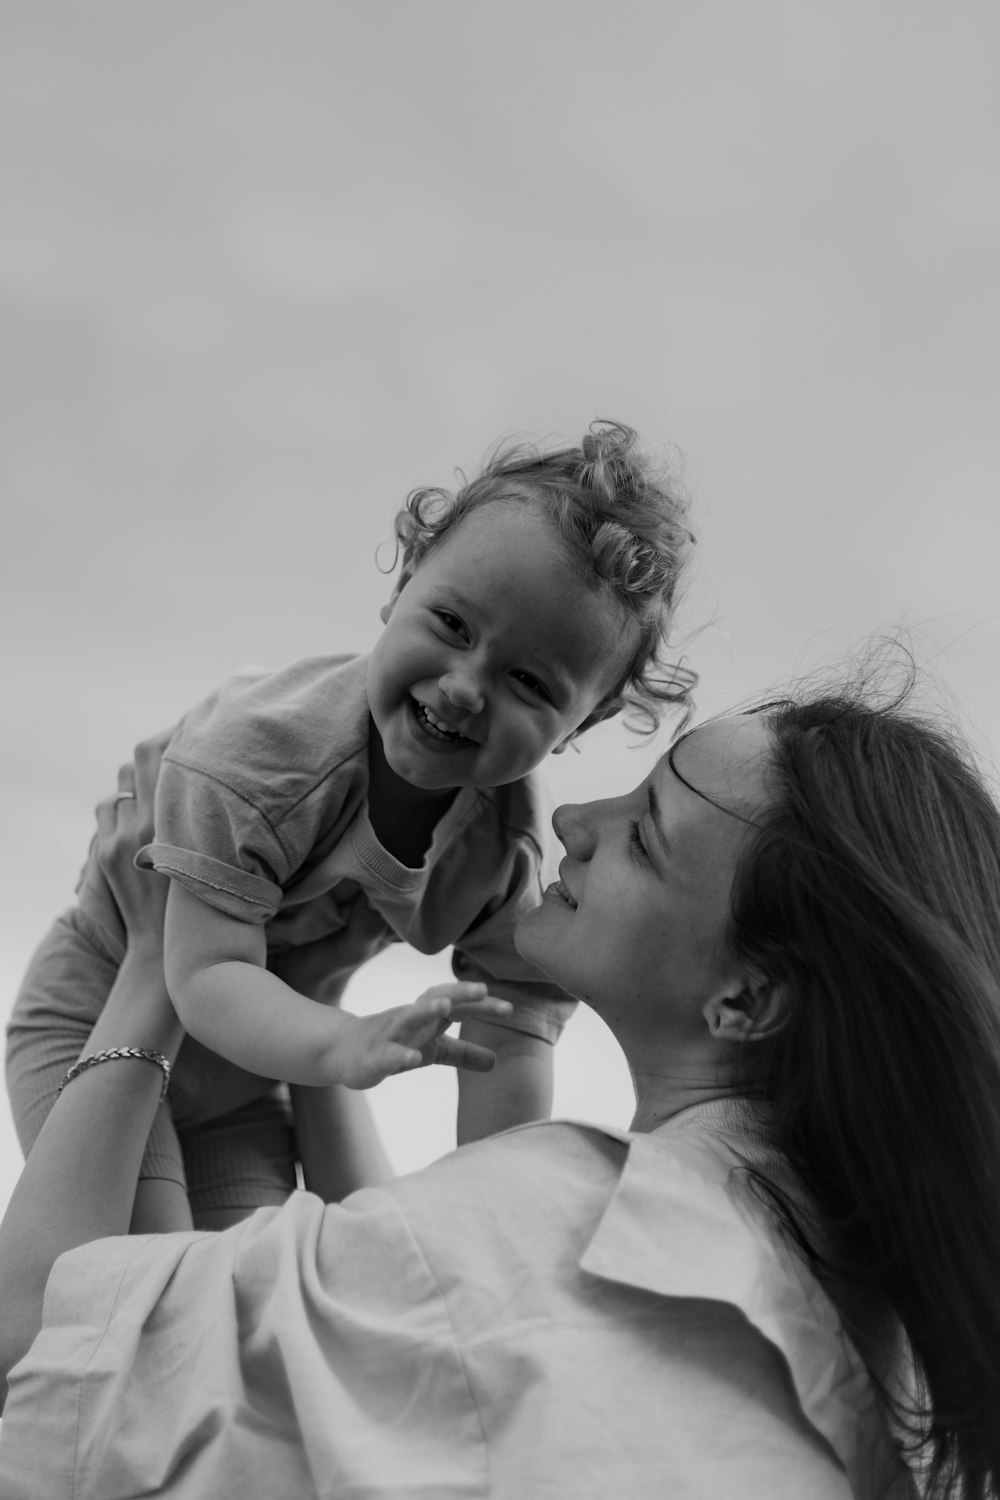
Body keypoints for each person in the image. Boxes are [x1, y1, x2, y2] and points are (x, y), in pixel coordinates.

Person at [5, 656, 1000, 1498]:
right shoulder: (877, 1347)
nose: (573, 823)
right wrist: (313, 1024)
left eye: (645, 836)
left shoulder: (536, 1236)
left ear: (746, 1001)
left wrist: (151, 966)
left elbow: (45, 1350)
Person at [5, 420, 695, 1232]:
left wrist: (500, 1221)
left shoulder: (502, 852)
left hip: (244, 1084)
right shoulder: (260, 755)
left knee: (239, 1305)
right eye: (452, 626)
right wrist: (343, 1044)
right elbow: (207, 975)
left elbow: (509, 1039)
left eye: (530, 682)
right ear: (401, 586)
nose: (467, 686)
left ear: (585, 721)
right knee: (151, 1285)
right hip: (102, 1019)